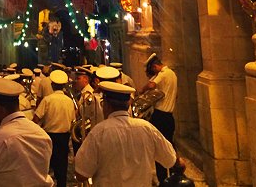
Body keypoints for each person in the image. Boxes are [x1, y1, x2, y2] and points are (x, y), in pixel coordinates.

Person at [74, 82, 176, 186]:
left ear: (106, 105)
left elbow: (81, 174)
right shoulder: (147, 128)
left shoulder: (98, 132)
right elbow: (170, 160)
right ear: (128, 104)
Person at [33, 69, 76, 187]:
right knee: (62, 168)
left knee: (46, 168)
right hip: (64, 137)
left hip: (49, 137)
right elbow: (73, 119)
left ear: (52, 85)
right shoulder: (69, 101)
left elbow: (36, 118)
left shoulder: (48, 100)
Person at [141, 53, 178, 184]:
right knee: (170, 147)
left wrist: (142, 90)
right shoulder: (173, 74)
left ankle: (163, 180)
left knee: (159, 149)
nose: (152, 74)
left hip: (160, 116)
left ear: (155, 66)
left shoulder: (163, 73)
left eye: (152, 70)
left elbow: (151, 85)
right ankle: (175, 176)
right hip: (169, 117)